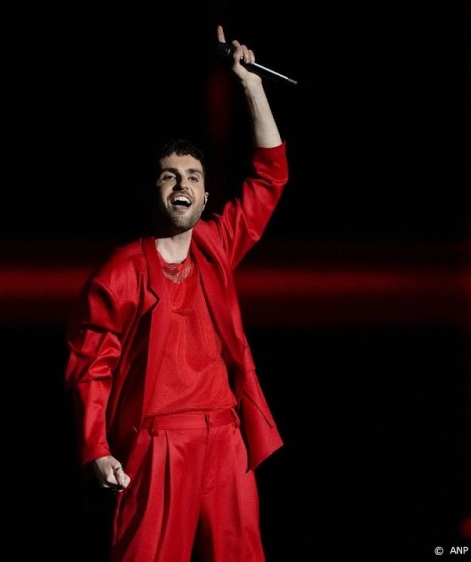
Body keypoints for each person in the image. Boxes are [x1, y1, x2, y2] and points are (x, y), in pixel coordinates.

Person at [64, 24, 289, 562]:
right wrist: (96, 449)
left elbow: (269, 178)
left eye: (192, 176)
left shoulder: (217, 246)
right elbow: (90, 366)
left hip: (226, 441)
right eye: (170, 176)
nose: (183, 184)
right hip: (160, 446)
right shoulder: (120, 272)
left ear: (206, 196)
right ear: (155, 190)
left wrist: (251, 84)